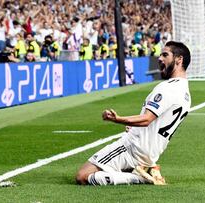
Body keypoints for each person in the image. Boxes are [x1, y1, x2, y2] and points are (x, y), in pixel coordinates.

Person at [76, 41, 192, 186]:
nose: (159, 58)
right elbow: (158, 123)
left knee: (83, 176)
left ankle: (139, 177)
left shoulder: (167, 88)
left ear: (179, 59)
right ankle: (143, 169)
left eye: (165, 55)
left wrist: (118, 119)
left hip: (133, 147)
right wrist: (135, 128)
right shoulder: (186, 94)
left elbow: (147, 119)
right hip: (151, 153)